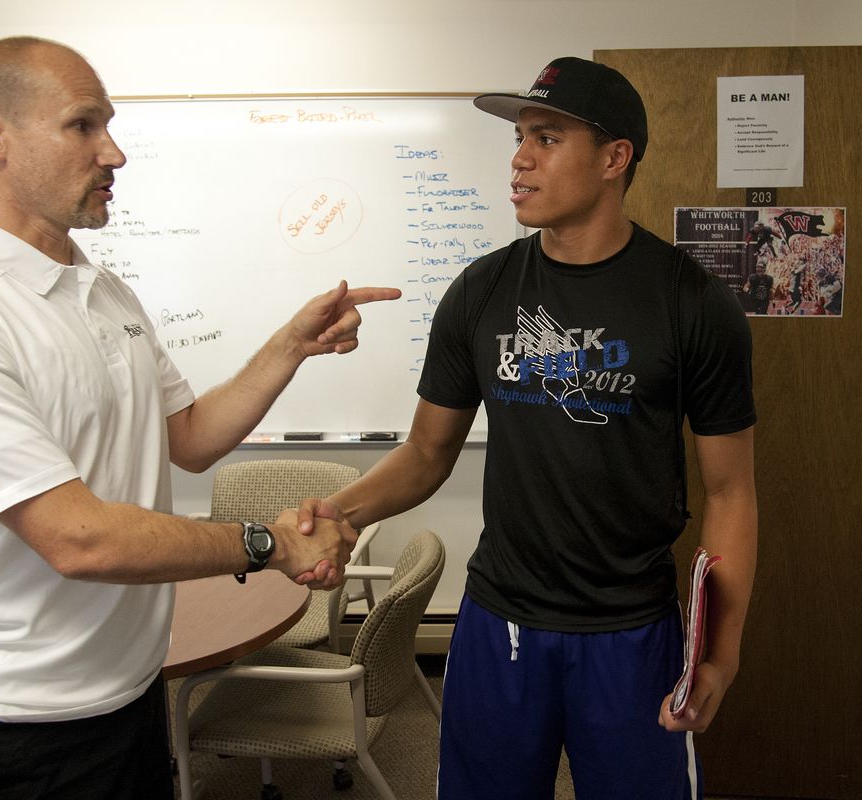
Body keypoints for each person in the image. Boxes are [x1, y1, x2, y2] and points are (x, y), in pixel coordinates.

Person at [0, 36, 400, 799]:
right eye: (82, 126)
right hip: (19, 727)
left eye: (109, 126)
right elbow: (77, 537)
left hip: (130, 691)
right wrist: (269, 542)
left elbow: (189, 438)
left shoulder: (104, 290)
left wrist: (290, 346)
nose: (113, 153)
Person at [294, 56, 758, 799]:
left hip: (631, 631)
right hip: (501, 622)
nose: (519, 158)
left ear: (614, 158)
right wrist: (336, 513)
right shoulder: (482, 291)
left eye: (546, 137)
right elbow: (425, 452)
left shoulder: (692, 303)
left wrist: (721, 650)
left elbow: (731, 493)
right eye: (520, 138)